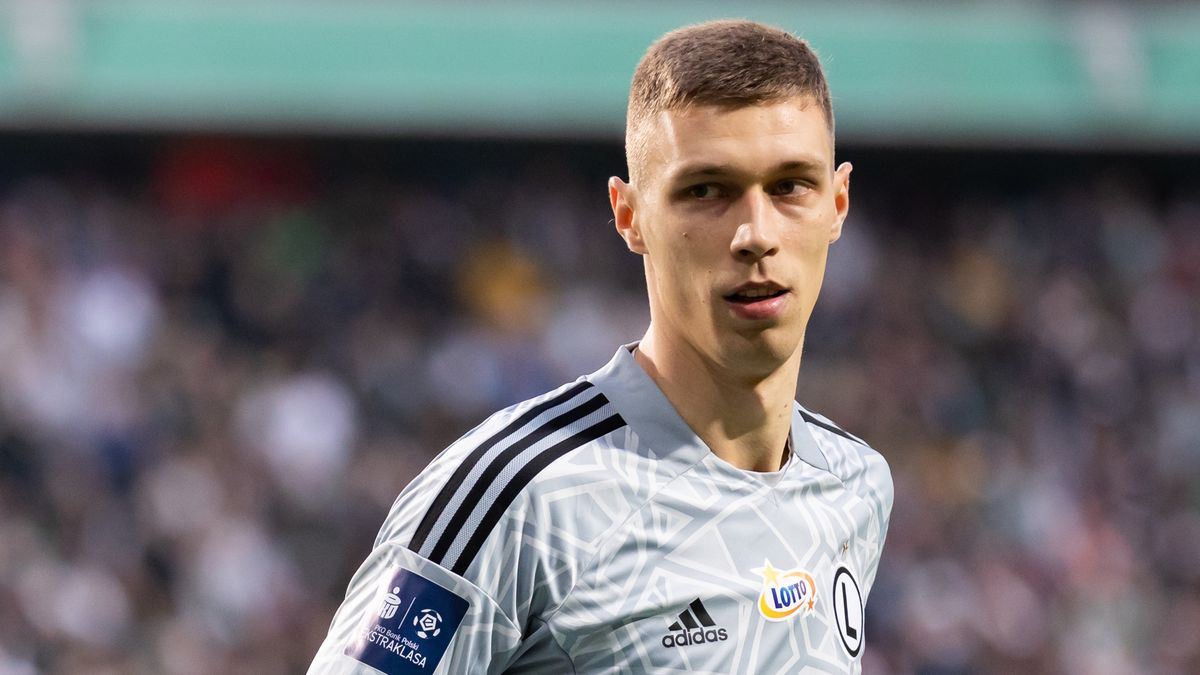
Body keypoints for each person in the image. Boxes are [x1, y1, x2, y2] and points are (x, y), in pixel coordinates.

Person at [309, 18, 892, 674]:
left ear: (837, 203)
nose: (755, 233)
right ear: (630, 215)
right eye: (706, 191)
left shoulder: (855, 483)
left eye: (790, 186)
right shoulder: (520, 494)